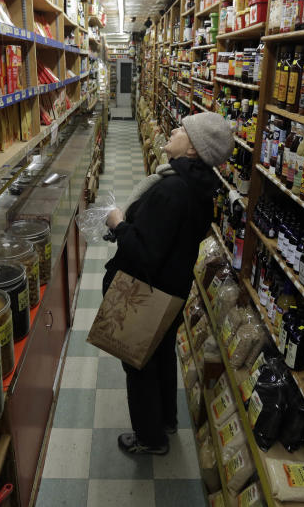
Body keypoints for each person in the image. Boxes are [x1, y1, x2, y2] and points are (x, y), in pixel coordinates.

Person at [102, 111, 234, 455]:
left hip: (148, 291)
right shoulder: (196, 186)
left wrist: (118, 223)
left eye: (181, 130)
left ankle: (150, 437)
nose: (173, 130)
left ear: (193, 149)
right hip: (172, 290)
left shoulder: (174, 189)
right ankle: (167, 420)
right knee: (159, 354)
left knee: (138, 363)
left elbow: (144, 252)